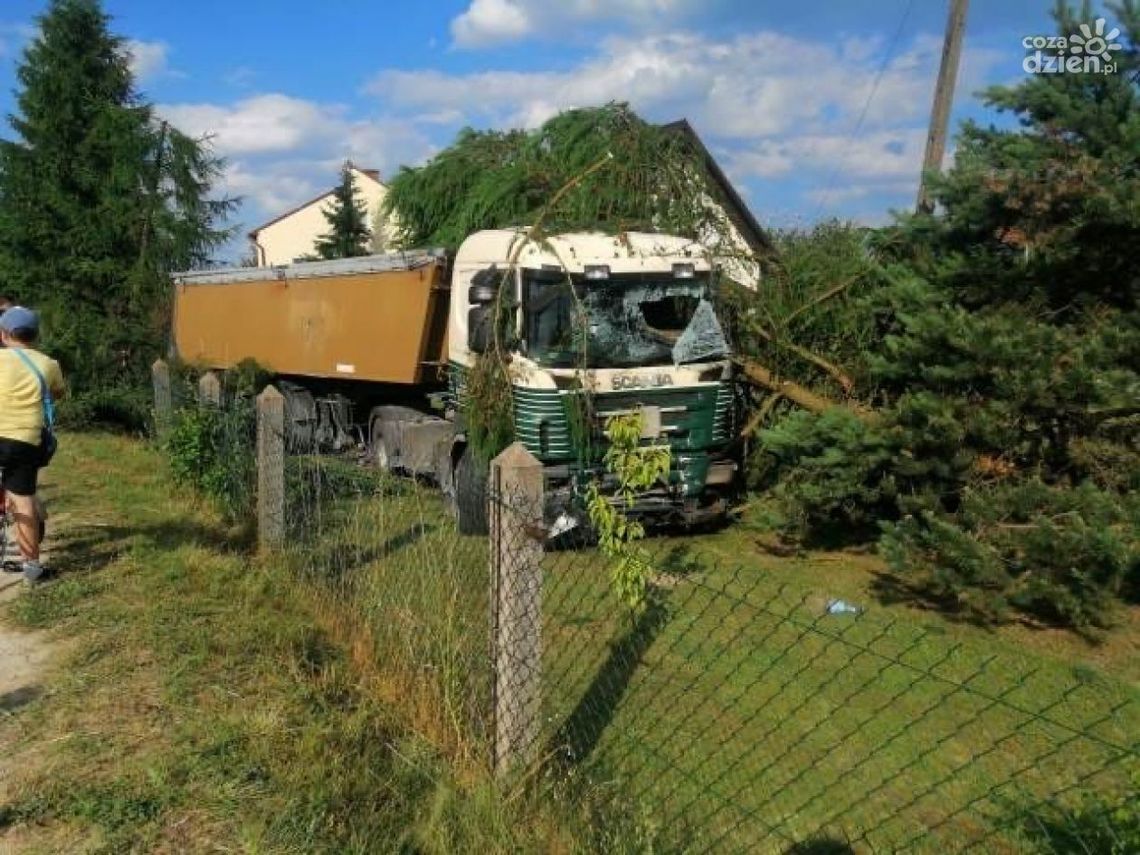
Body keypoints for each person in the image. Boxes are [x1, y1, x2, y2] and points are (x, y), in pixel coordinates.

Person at [0, 307, 63, 583]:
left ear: (3, 334)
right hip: (24, 440)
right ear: (35, 335)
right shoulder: (48, 364)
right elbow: (58, 392)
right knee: (23, 502)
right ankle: (32, 570)